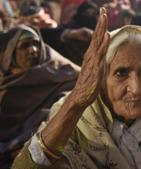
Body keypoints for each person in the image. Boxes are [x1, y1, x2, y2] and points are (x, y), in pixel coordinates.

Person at [12, 7, 141, 169]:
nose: (136, 89)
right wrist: (76, 101)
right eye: (121, 73)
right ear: (99, 78)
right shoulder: (74, 124)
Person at [0, 25, 79, 169]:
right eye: (25, 46)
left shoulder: (58, 74)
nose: (33, 50)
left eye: (36, 44)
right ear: (10, 53)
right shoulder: (5, 83)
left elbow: (73, 95)